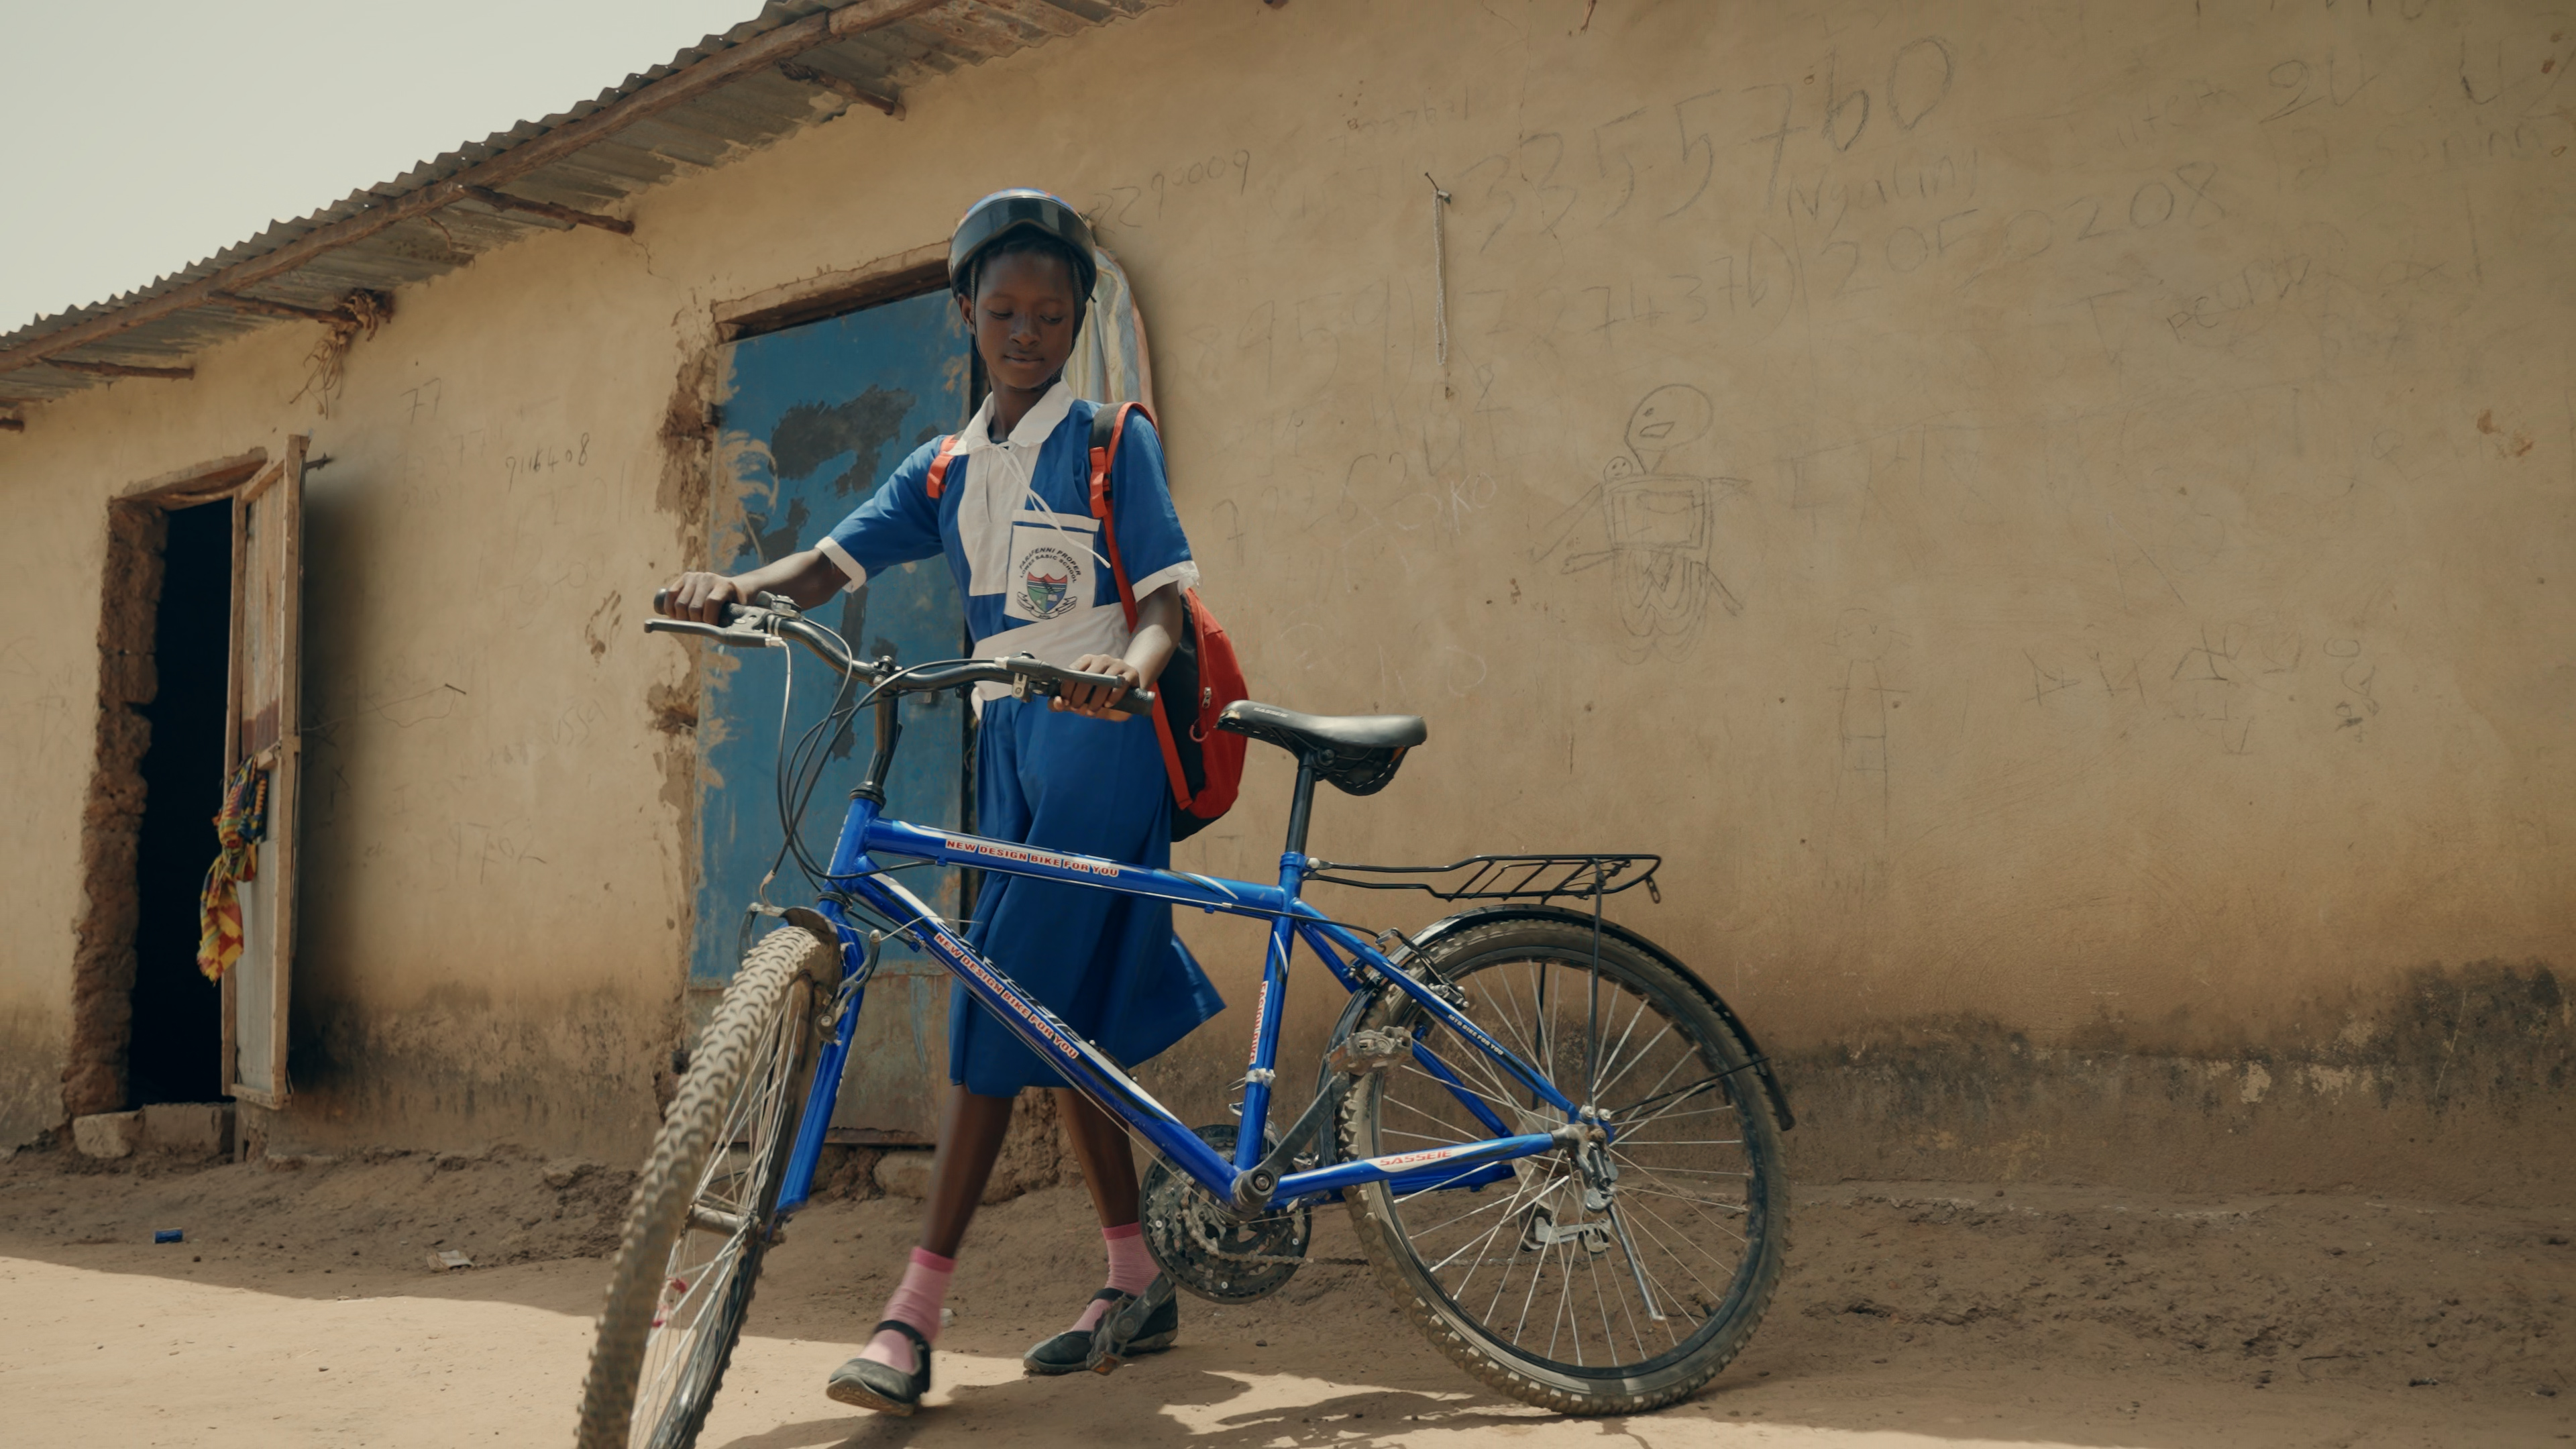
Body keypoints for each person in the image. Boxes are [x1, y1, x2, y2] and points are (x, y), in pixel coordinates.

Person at [657, 189, 1222, 1415]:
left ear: (1076, 322)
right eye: (1004, 310)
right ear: (966, 312)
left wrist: (1126, 678)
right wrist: (733, 589)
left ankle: (911, 1316)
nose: (1027, 333)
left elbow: (1163, 609)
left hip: (1099, 739)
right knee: (1057, 1012)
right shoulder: (945, 467)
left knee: (999, 988)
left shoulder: (1110, 441)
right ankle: (1136, 1274)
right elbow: (826, 563)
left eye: (1051, 315)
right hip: (1004, 741)